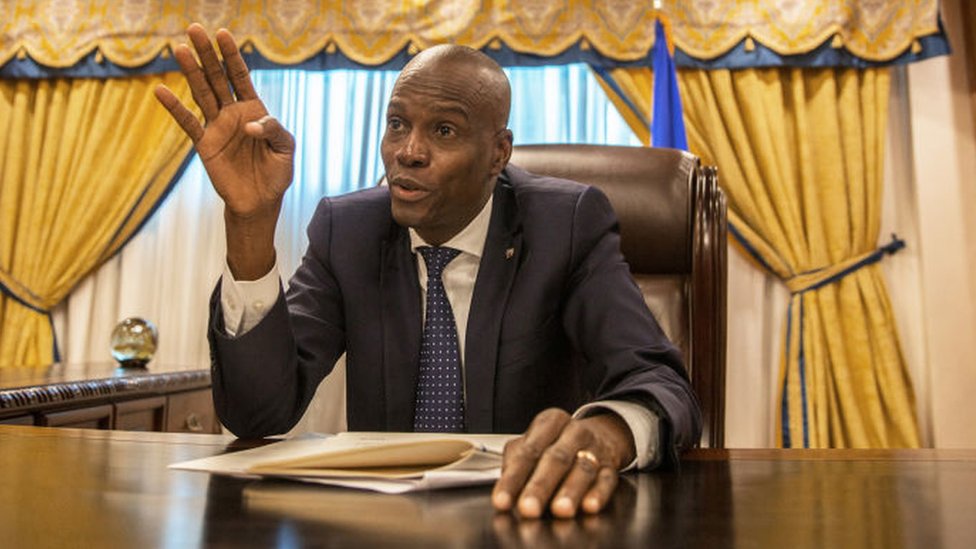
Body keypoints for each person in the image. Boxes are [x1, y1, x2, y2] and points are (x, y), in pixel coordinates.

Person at [155, 24, 701, 519]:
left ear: (498, 153)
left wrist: (605, 435)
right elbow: (257, 413)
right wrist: (250, 224)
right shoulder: (349, 230)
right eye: (397, 124)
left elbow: (658, 381)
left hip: (527, 516)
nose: (408, 152)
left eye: (443, 131)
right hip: (385, 526)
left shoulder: (565, 225)